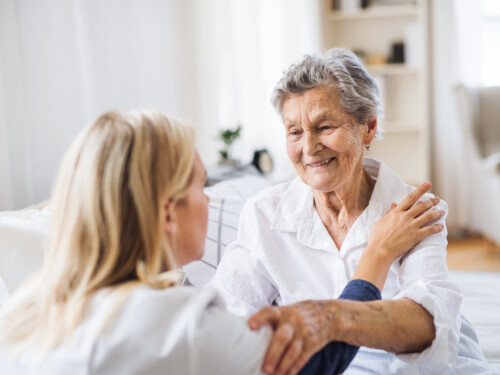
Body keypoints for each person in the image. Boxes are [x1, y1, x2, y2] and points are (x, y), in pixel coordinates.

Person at [0, 110, 444, 375]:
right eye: (200, 186)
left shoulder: (25, 310)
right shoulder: (184, 325)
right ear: (168, 212)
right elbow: (316, 365)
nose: (209, 199)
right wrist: (378, 254)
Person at [210, 48, 494, 375]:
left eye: (325, 126)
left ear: (368, 128)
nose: (309, 147)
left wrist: (328, 318)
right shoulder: (264, 216)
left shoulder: (414, 211)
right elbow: (222, 320)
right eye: (295, 132)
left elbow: (426, 326)